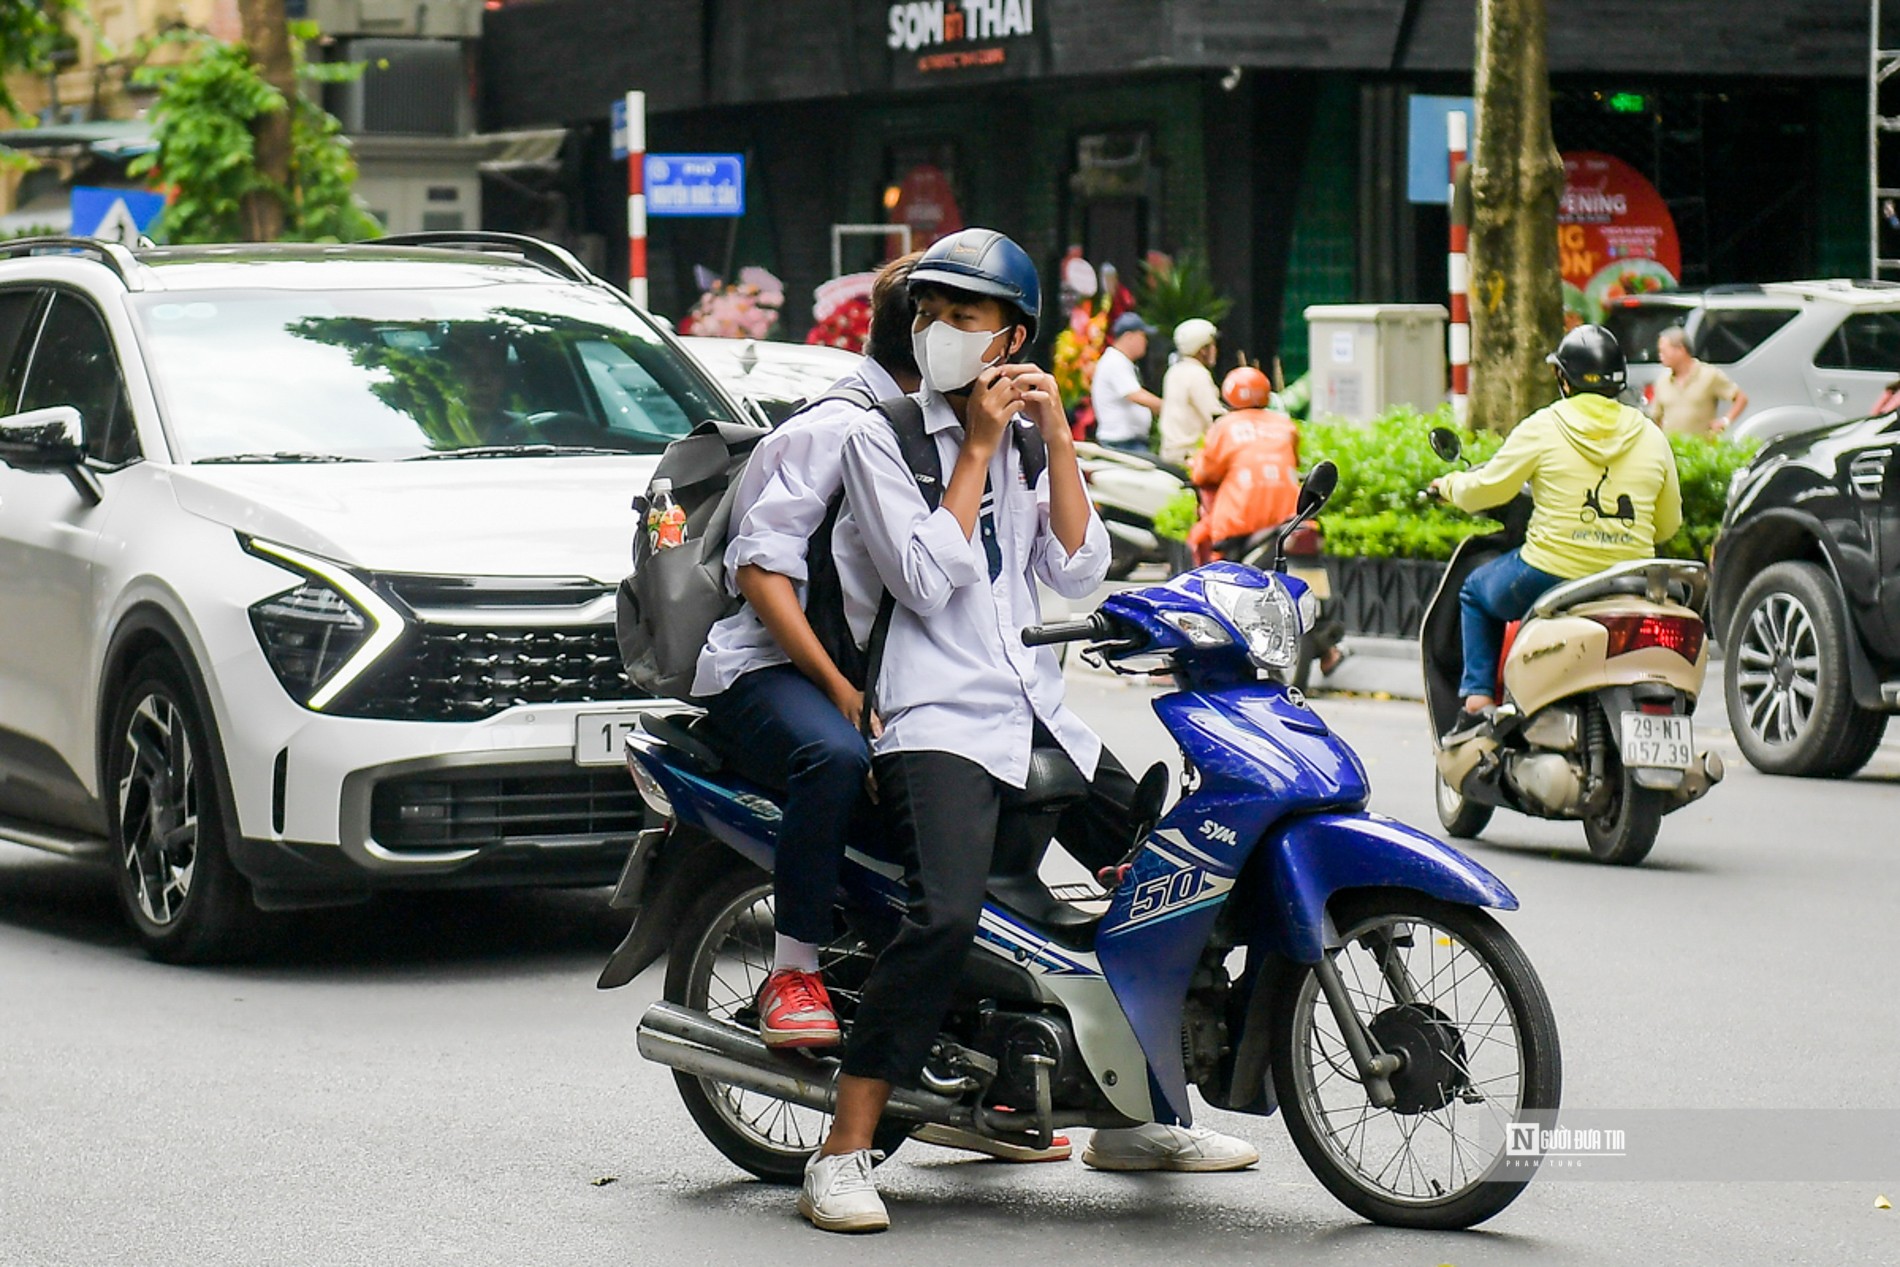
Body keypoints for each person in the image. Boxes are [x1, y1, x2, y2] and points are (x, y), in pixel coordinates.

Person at [805, 228, 1257, 1234]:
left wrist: (1053, 439)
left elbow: (1075, 570)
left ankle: (1138, 1115)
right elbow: (923, 577)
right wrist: (970, 446)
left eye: (966, 317)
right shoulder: (881, 435)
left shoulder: (1020, 438)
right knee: (943, 920)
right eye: (931, 314)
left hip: (1034, 710)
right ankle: (841, 1152)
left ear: (1013, 334)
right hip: (934, 718)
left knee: (1171, 874)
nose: (942, 333)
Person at [690, 253, 924, 1055]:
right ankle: (793, 968)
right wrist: (837, 689)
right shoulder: (832, 426)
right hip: (765, 667)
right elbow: (759, 571)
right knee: (830, 756)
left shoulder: (942, 428)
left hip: (867, 671)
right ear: (926, 335)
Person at [1429, 325, 1683, 744]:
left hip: (1552, 572)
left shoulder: (1544, 426)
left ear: (1563, 379)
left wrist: (1449, 486)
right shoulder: (1650, 436)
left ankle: (1476, 703)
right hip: (1628, 579)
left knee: (1475, 591)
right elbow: (1668, 523)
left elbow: (1486, 489)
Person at [1650, 326, 1747, 436]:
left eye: (1664, 351)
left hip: (1701, 448)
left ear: (1680, 349)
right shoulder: (1662, 381)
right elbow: (1656, 417)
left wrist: (1725, 421)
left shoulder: (1709, 375)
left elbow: (1741, 398)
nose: (1660, 356)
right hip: (1672, 448)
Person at [1090, 312, 1163, 456]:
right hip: (1122, 444)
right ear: (1129, 337)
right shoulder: (1115, 361)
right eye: (1143, 336)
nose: (1146, 343)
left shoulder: (1121, 361)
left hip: (1130, 443)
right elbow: (1135, 395)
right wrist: (1168, 407)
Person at [1159, 317, 1223, 465]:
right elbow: (1214, 416)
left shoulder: (1175, 371)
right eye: (1212, 346)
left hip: (1170, 453)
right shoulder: (1198, 374)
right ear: (1203, 350)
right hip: (1190, 456)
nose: (1215, 350)